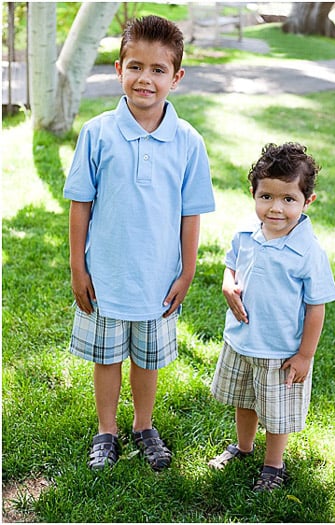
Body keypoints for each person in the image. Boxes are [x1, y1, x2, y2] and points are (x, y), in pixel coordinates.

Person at [63, 15, 215, 471]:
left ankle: (143, 426)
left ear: (177, 77)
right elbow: (80, 206)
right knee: (107, 360)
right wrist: (78, 267)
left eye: (158, 69)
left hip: (157, 279)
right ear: (118, 69)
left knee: (147, 361)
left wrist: (187, 272)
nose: (144, 78)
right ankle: (106, 431)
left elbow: (191, 215)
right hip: (105, 276)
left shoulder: (188, 142)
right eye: (135, 66)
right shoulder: (97, 133)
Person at [208, 142, 335, 491]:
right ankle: (244, 446)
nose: (275, 208)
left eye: (288, 199)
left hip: (280, 349)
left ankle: (273, 465)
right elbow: (231, 265)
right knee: (243, 399)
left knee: (276, 413)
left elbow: (316, 306)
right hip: (242, 339)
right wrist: (227, 285)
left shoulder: (308, 251)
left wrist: (305, 355)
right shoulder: (245, 235)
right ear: (253, 193)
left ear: (307, 201)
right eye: (266, 197)